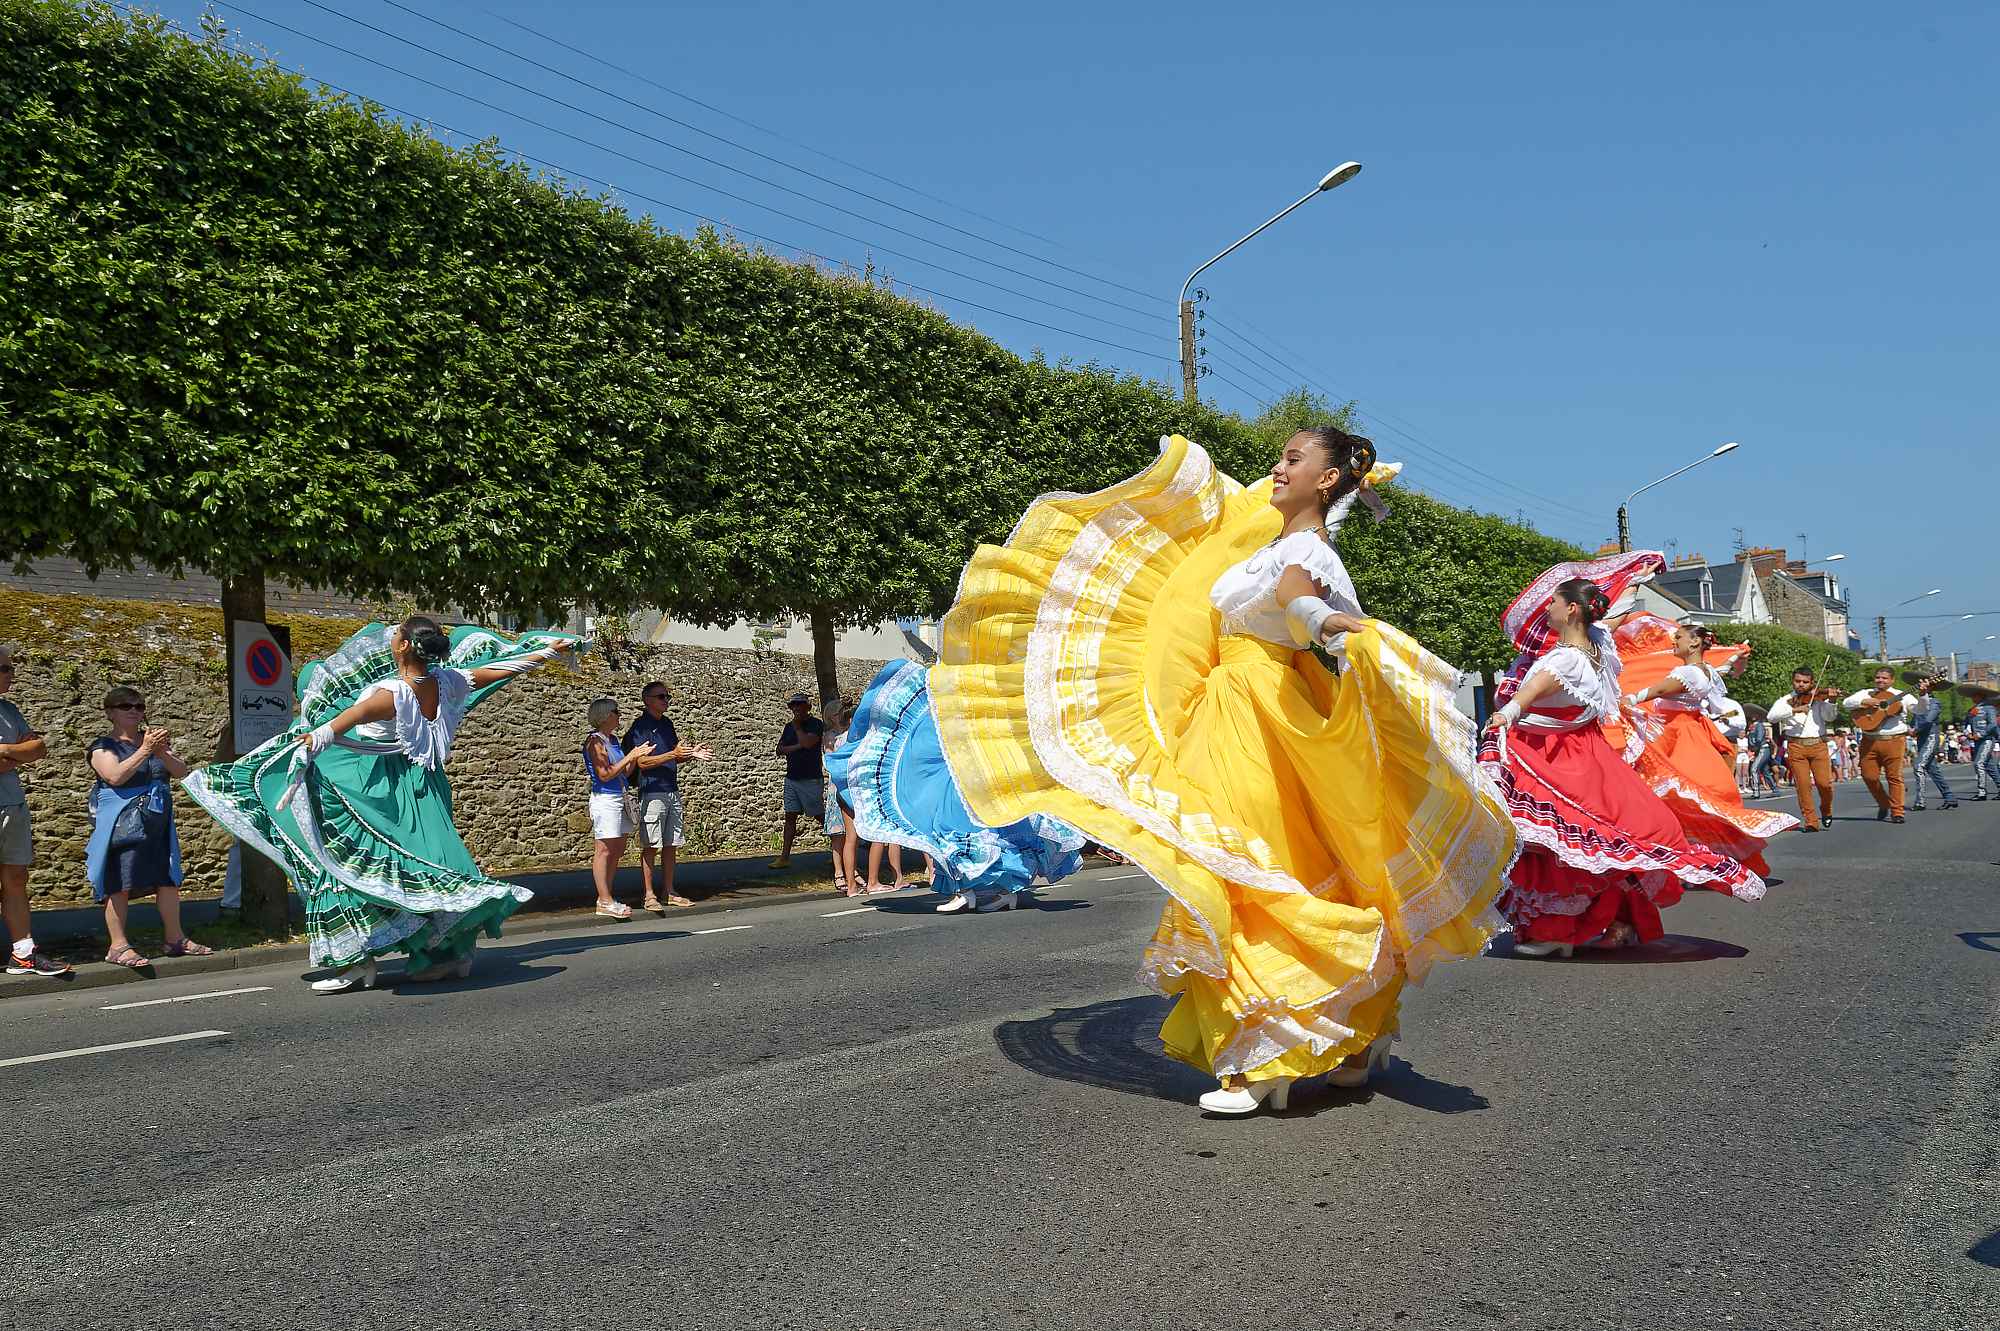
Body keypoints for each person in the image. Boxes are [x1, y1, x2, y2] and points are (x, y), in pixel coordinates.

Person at [930, 431, 1514, 1117]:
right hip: (1239, 708)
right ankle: (1356, 1038)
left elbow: (1304, 601)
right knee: (1269, 864)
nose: (1278, 465)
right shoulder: (1278, 543)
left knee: (1245, 872)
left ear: (1326, 480)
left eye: (1294, 459)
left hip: (1254, 714)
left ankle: (1266, 1057)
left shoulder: (1304, 552)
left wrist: (1326, 626)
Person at [184, 615, 583, 992]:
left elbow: (339, 725)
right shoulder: (448, 682)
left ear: (404, 646)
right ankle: (445, 953)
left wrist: (307, 744)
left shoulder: (389, 694)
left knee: (345, 860)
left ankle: (358, 958)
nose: (389, 639)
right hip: (422, 787)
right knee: (424, 866)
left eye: (395, 636)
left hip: (371, 786)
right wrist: (542, 653)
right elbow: (497, 671)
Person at [1483, 560, 1766, 958]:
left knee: (1556, 841)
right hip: (1585, 753)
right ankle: (1598, 924)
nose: (1547, 609)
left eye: (1554, 603)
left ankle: (1558, 931)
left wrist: (1506, 714)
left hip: (1554, 757)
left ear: (1572, 610)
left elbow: (1531, 692)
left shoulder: (1564, 659)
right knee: (1584, 842)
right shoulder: (1599, 644)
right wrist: (1632, 579)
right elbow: (1611, 619)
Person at [826, 660, 1083, 913]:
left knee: (956, 829)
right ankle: (997, 891)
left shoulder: (963, 712)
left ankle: (980, 891)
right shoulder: (968, 711)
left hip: (966, 781)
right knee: (981, 830)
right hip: (972, 778)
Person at [1621, 621, 1798, 873]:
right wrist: (1735, 655)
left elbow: (1661, 688)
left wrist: (1631, 698)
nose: (1674, 641)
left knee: (1680, 794)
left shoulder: (1689, 673)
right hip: (1686, 732)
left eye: (1679, 637)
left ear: (1694, 643)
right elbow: (1720, 682)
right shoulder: (1705, 670)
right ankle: (1695, 856)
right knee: (1691, 796)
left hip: (1678, 735)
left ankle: (1683, 855)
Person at [86, 686, 211, 968]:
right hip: (123, 824)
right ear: (110, 713)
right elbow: (115, 776)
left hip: (156, 823)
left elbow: (181, 773)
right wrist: (145, 750)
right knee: (119, 882)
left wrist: (162, 752)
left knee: (167, 879)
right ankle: (118, 947)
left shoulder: (152, 744)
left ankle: (174, 938)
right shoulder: (103, 746)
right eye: (125, 706)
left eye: (139, 706)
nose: (133, 711)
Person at [0, 645, 71, 977]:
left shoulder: (8, 710)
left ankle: (23, 953)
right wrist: (17, 753)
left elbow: (38, 747)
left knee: (16, 878)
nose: (11, 675)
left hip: (11, 806)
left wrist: (5, 750)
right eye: (4, 669)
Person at [622, 682, 712, 911]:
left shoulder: (667, 724)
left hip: (671, 789)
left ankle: (669, 891)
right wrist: (673, 753)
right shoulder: (641, 727)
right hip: (652, 791)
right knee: (651, 844)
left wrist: (691, 754)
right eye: (661, 696)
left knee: (672, 844)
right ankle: (649, 895)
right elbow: (642, 762)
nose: (666, 700)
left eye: (667, 696)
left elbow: (674, 755)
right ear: (647, 700)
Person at [584, 697, 655, 921]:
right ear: (605, 715)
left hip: (620, 797)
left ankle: (607, 896)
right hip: (606, 799)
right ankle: (604, 899)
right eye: (616, 711)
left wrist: (635, 757)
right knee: (604, 849)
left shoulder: (612, 740)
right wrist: (631, 756)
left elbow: (623, 772)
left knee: (617, 849)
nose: (619, 715)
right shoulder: (595, 742)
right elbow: (605, 775)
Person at [1768, 669, 1840, 831]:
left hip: (1818, 744)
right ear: (1793, 681)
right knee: (1803, 785)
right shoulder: (1786, 700)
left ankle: (1826, 809)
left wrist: (1833, 701)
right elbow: (1771, 716)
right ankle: (1810, 821)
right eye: (1798, 681)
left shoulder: (1819, 699)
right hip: (1796, 746)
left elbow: (1829, 718)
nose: (1801, 684)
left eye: (1805, 682)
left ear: (1812, 683)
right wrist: (1794, 710)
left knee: (1825, 784)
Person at [1843, 668, 1914, 822]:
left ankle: (1897, 812)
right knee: (1868, 776)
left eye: (1884, 678)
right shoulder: (1866, 693)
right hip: (1869, 740)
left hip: (1894, 740)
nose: (1880, 680)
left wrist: (1923, 695)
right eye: (1878, 677)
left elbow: (1920, 709)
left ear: (1892, 680)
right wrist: (1865, 701)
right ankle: (1883, 802)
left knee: (1894, 776)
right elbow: (1846, 703)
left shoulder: (1902, 695)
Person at [770, 693, 824, 869]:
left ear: (807, 707)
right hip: (792, 777)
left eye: (800, 705)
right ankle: (784, 857)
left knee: (819, 815)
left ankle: (839, 847)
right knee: (790, 816)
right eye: (793, 705)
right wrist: (798, 746)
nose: (796, 708)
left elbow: (808, 743)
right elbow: (779, 749)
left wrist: (799, 730)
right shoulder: (788, 727)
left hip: (810, 778)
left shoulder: (816, 724)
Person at [1908, 677, 1958, 812]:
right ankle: (1950, 798)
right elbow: (1914, 720)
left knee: (1919, 766)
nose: (1920, 687)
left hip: (1931, 737)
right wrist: (1909, 728)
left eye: (1924, 685)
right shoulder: (1919, 704)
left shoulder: (1934, 702)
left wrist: (1916, 729)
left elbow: (1929, 719)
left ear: (1931, 687)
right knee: (1933, 770)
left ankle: (1920, 801)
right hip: (1921, 739)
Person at [1967, 686, 2000, 799]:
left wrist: (1980, 734)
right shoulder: (1971, 710)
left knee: (1979, 763)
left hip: (1987, 740)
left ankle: (1982, 792)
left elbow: (1993, 724)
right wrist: (1967, 733)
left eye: (1975, 695)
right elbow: (1967, 723)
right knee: (1990, 766)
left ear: (1981, 696)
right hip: (1976, 741)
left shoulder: (1989, 708)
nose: (1972, 697)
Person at [1746, 713, 1781, 797]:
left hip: (1762, 749)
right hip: (1759, 749)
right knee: (1765, 771)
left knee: (1754, 769)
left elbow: (1759, 738)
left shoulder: (1759, 726)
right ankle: (1775, 790)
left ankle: (1756, 791)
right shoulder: (1752, 727)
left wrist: (1754, 749)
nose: (1753, 717)